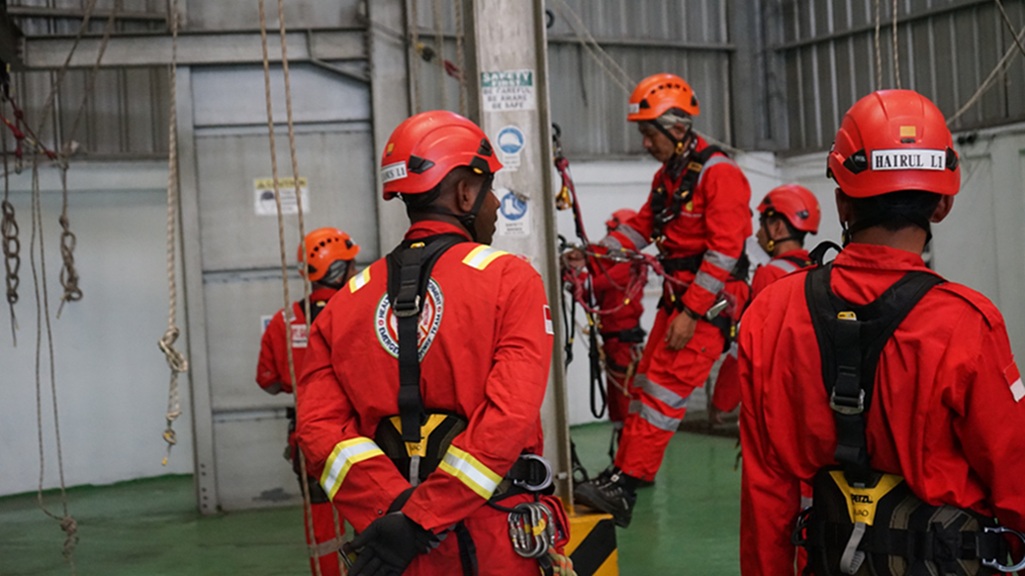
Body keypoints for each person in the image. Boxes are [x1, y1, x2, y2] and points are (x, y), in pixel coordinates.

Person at [739, 90, 1025, 575]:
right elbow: (1013, 471)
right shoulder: (967, 322)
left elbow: (766, 492)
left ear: (841, 203)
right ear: (942, 205)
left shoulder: (771, 313)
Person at [295, 110, 566, 576]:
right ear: (464, 191)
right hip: (491, 539)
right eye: (490, 190)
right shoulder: (510, 280)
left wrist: (396, 509)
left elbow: (319, 432)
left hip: (391, 547)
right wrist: (423, 517)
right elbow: (508, 419)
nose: (496, 206)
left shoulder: (345, 303)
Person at [573, 72, 752, 528]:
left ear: (675, 128)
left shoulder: (720, 175)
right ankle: (626, 474)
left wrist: (692, 313)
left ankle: (626, 485)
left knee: (663, 395)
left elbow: (724, 252)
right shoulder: (668, 176)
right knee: (646, 390)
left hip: (703, 306)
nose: (645, 143)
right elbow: (644, 228)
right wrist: (593, 253)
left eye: (649, 134)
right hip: (679, 301)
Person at [256, 227, 359, 576]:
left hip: (308, 440)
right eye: (351, 264)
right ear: (338, 270)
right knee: (368, 514)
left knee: (321, 524)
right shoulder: (361, 311)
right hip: (360, 435)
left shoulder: (284, 321)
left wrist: (300, 379)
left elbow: (267, 381)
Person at [708, 184, 820, 424]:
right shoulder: (817, 271)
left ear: (777, 227)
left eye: (761, 224)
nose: (757, 234)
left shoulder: (770, 274)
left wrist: (722, 399)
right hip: (811, 396)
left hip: (775, 401)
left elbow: (749, 347)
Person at [562, 208, 649, 459]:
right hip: (614, 342)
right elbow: (590, 290)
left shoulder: (625, 266)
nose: (608, 237)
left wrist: (572, 272)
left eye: (613, 231)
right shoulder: (617, 266)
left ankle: (631, 461)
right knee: (618, 405)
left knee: (625, 405)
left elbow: (592, 285)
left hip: (623, 343)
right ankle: (624, 459)